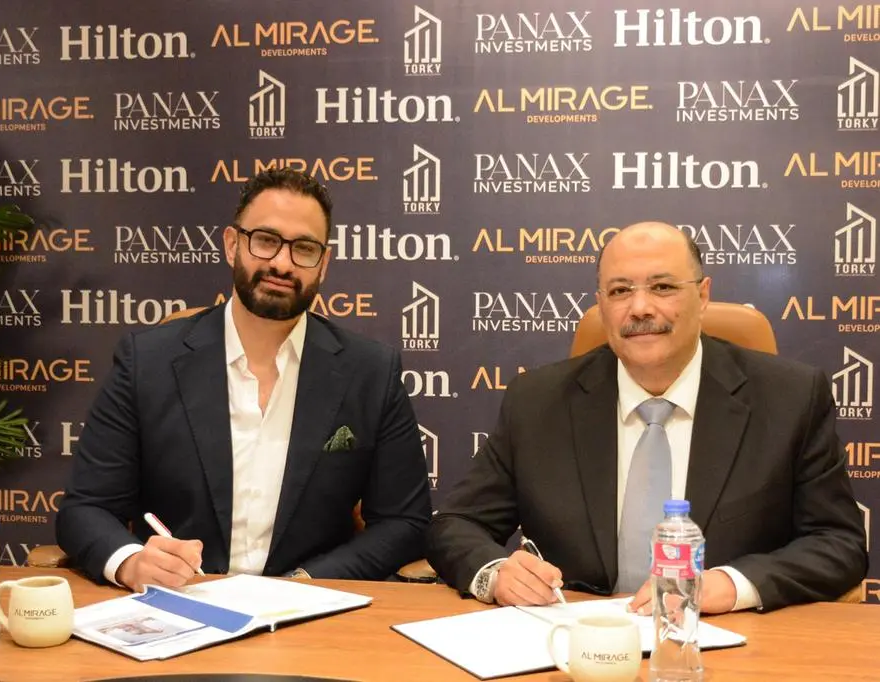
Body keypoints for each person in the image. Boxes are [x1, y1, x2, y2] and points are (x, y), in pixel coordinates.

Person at [426, 221, 867, 614]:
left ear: (703, 294)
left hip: (728, 643)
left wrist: (731, 585)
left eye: (662, 287)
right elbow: (456, 524)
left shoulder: (790, 397)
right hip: (575, 641)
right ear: (601, 304)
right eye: (620, 291)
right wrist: (495, 572)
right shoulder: (538, 402)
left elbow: (839, 543)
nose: (639, 308)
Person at [57, 168, 432, 591]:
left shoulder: (371, 372)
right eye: (266, 240)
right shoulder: (147, 362)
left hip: (311, 610)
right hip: (179, 603)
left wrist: (307, 583)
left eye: (304, 248)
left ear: (323, 264)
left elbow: (405, 521)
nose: (282, 263)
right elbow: (85, 509)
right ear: (232, 244)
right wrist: (130, 562)